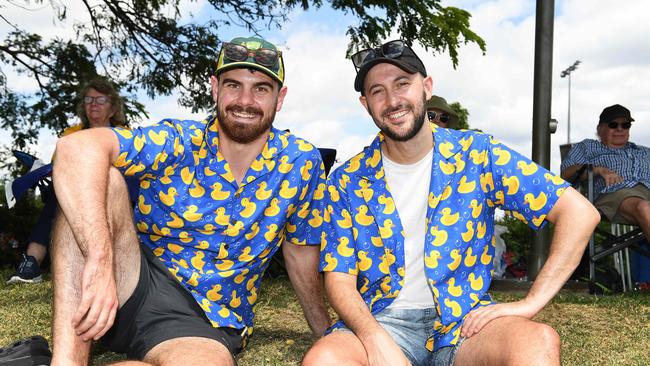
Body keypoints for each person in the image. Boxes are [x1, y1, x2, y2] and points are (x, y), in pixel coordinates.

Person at [303, 40, 599, 366]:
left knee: (537, 341)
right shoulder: (346, 180)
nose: (392, 100)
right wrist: (374, 338)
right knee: (324, 359)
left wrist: (530, 303)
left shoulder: (477, 153)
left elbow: (579, 212)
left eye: (402, 84)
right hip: (381, 318)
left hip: (465, 317)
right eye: (378, 91)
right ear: (365, 103)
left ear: (426, 87)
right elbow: (340, 280)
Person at [50, 36, 330, 365]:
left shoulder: (299, 162)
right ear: (215, 88)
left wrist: (324, 332)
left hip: (203, 316)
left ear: (279, 99)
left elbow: (299, 250)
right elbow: (75, 148)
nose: (245, 100)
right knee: (100, 179)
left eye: (261, 89)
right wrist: (99, 261)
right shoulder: (180, 140)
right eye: (233, 85)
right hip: (129, 281)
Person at [6, 78, 129, 285]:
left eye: (100, 99)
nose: (93, 104)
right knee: (58, 198)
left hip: (113, 192)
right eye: (89, 99)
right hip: (76, 192)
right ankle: (31, 264)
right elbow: (59, 166)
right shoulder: (70, 135)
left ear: (113, 108)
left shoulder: (125, 135)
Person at [561, 104, 650, 240]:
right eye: (613, 125)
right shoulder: (588, 147)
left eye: (625, 125)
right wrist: (597, 169)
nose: (620, 129)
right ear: (599, 129)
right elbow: (566, 174)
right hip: (616, 193)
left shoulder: (644, 151)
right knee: (644, 207)